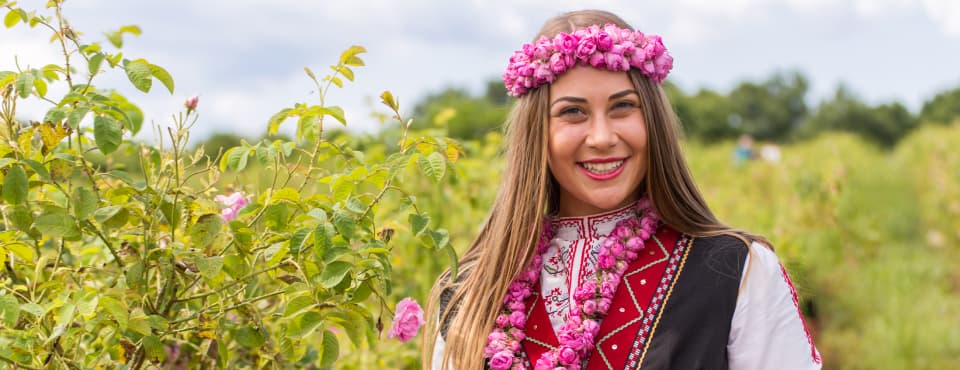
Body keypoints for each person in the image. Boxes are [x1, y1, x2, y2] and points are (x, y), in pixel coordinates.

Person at [423, 10, 821, 370]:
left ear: (652, 119)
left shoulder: (735, 270)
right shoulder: (470, 293)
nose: (601, 137)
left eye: (622, 107)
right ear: (536, 133)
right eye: (572, 112)